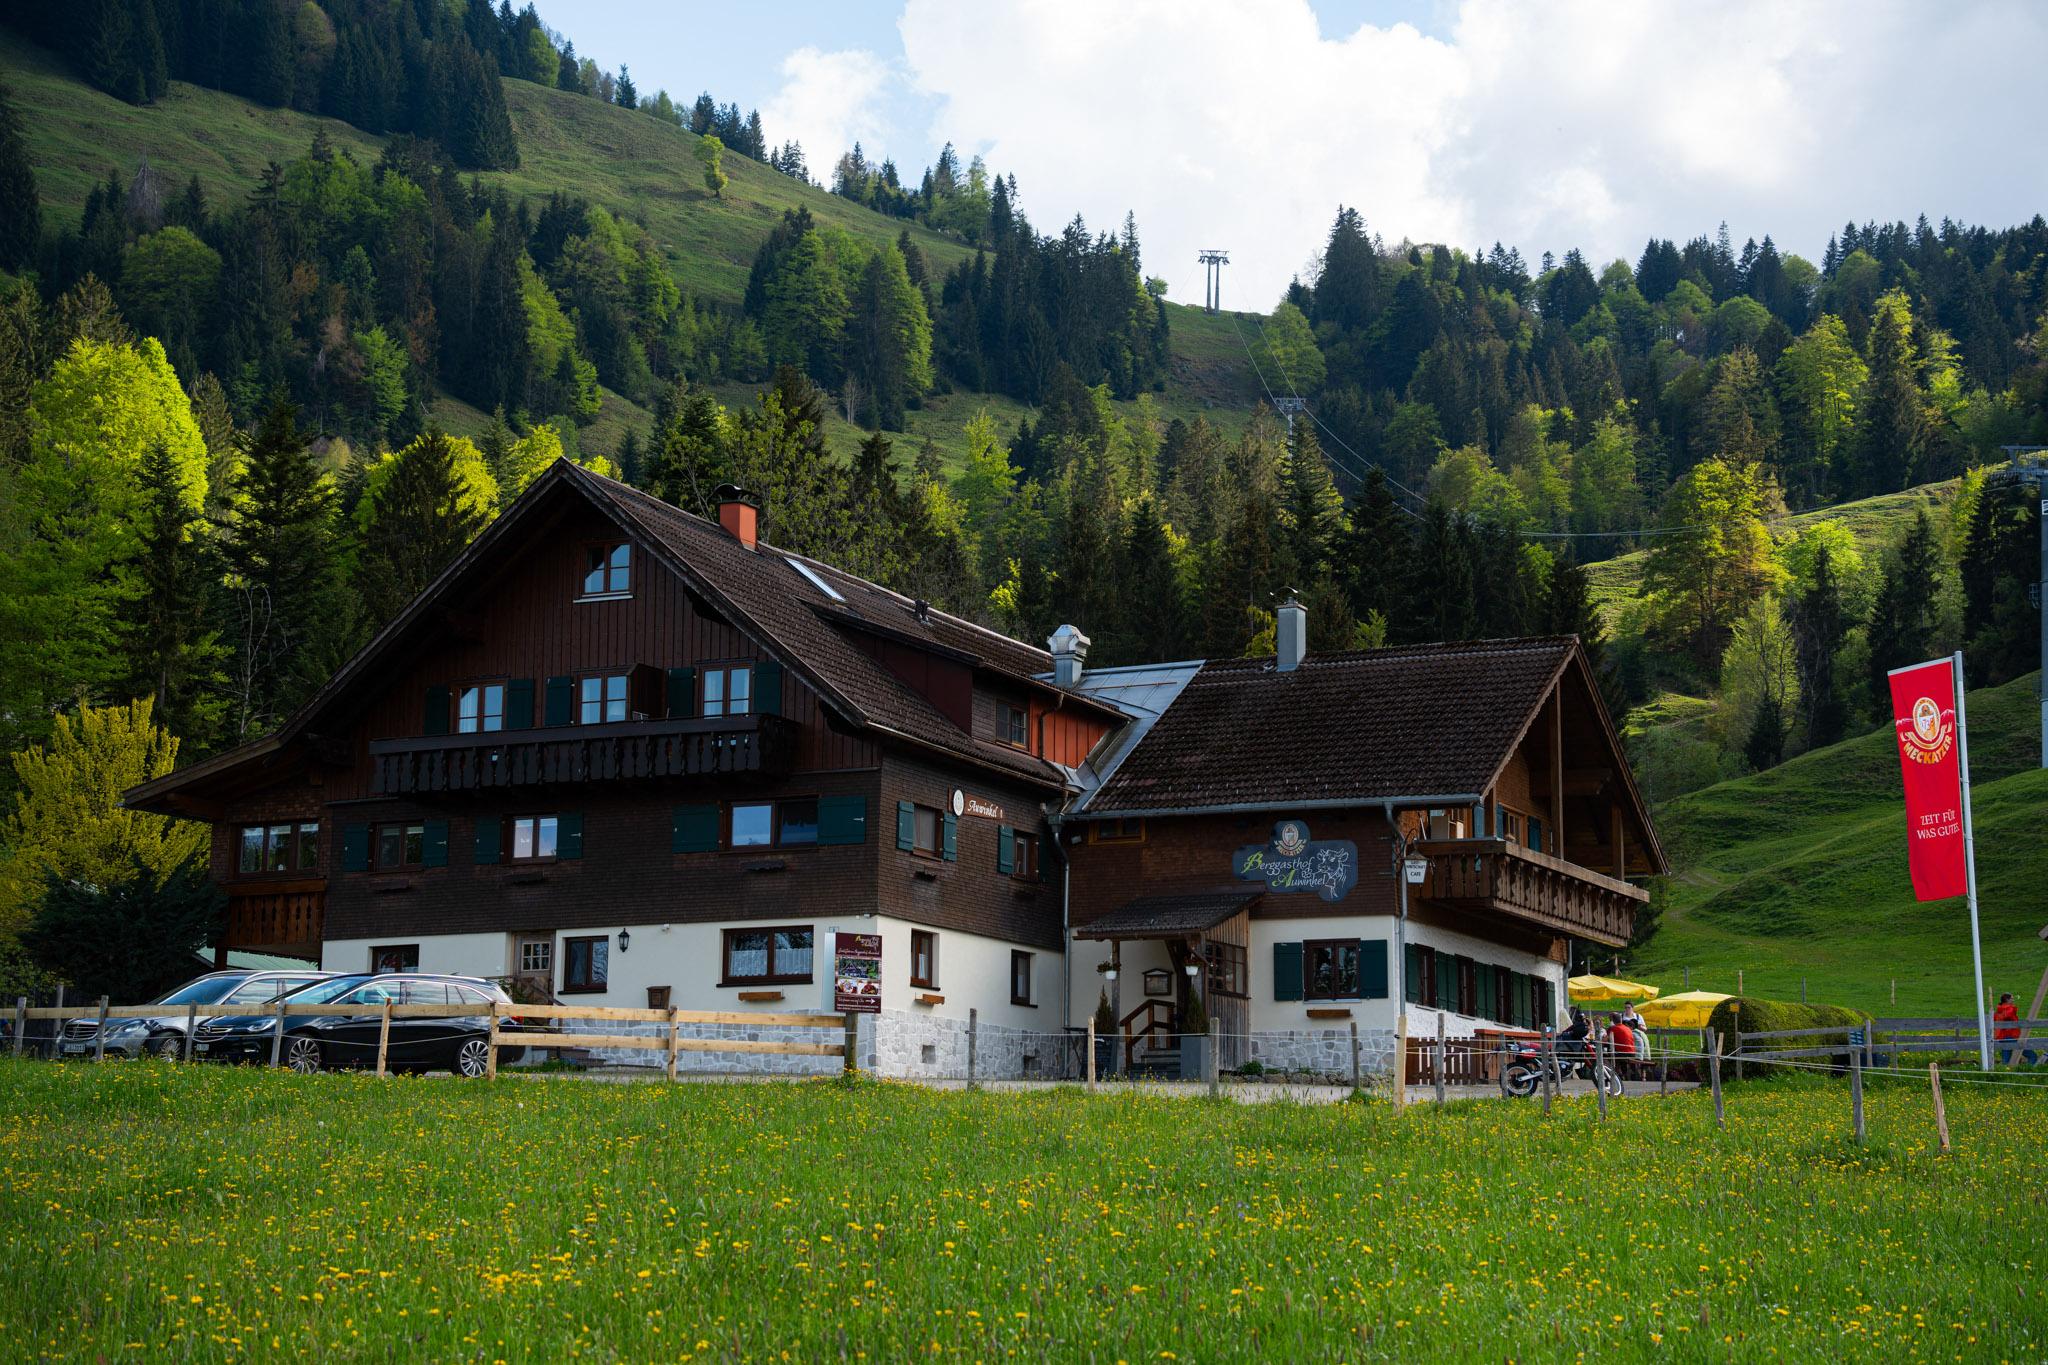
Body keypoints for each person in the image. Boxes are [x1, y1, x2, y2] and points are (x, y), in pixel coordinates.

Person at [1993, 993, 2038, 1068]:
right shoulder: (2007, 1009)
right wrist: (2012, 1008)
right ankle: (2028, 1071)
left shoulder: (1998, 1010)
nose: (2013, 1000)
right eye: (2012, 998)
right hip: (2011, 1037)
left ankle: (2005, 1074)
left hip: (2003, 1037)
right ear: (2007, 1000)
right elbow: (2007, 1015)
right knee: (2032, 1056)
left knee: (2006, 1060)